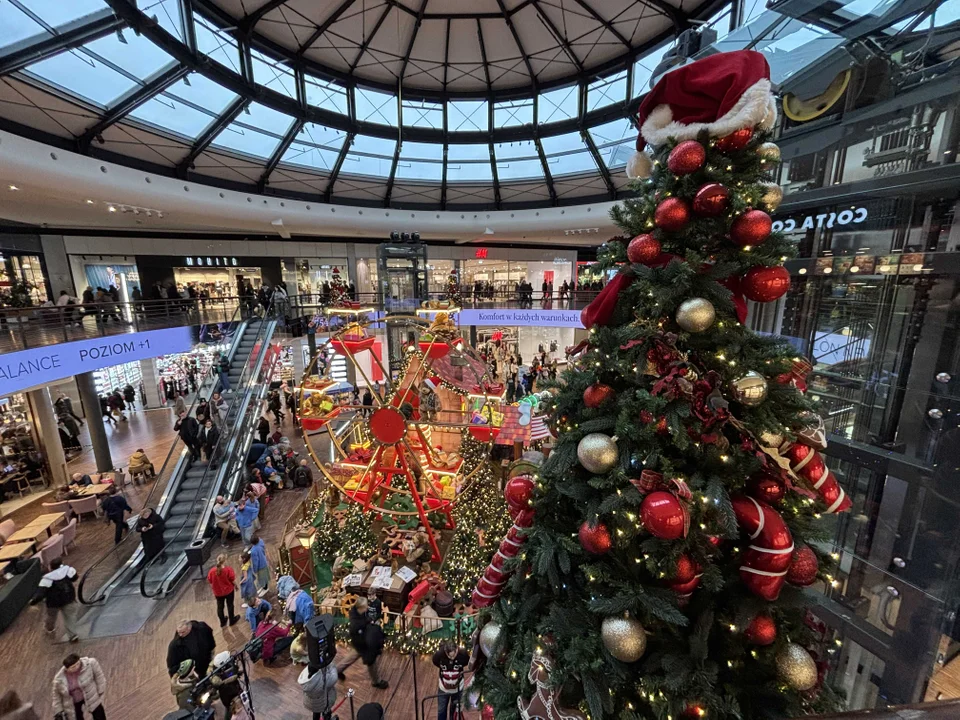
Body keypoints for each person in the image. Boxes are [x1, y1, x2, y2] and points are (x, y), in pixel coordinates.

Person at [337, 597, 388, 689]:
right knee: (371, 662)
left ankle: (337, 670)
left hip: (362, 642)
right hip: (362, 644)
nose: (367, 608)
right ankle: (376, 681)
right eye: (365, 607)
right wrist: (367, 646)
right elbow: (357, 633)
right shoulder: (356, 624)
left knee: (351, 658)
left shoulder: (357, 613)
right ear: (360, 608)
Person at [32, 558, 79, 643]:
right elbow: (75, 578)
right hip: (68, 599)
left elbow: (40, 594)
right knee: (70, 618)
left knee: (51, 617)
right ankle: (73, 635)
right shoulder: (68, 570)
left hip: (53, 603)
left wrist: (33, 602)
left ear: (51, 567)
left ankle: (50, 629)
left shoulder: (46, 579)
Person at [52, 654, 107, 720]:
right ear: (67, 669)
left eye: (78, 664)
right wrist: (58, 710)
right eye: (73, 667)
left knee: (99, 714)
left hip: (90, 694)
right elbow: (56, 696)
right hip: (73, 701)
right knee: (76, 717)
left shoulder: (90, 664)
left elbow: (99, 676)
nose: (77, 667)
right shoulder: (59, 679)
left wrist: (100, 692)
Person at [433, 640, 470, 720]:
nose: (452, 658)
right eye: (450, 656)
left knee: (454, 712)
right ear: (446, 652)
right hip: (443, 688)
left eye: (454, 655)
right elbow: (435, 662)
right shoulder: (439, 655)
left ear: (457, 649)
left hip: (458, 689)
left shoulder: (463, 655)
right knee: (441, 710)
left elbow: (467, 662)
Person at [206, 554, 241, 628]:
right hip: (228, 591)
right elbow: (232, 579)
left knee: (220, 607)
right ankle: (232, 620)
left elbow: (210, 581)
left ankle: (222, 622)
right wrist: (236, 586)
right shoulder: (228, 570)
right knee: (230, 605)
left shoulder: (211, 571)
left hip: (218, 593)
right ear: (224, 561)